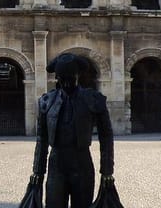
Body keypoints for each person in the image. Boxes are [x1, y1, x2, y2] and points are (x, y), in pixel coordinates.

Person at [31, 53, 115, 208]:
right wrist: (38, 170)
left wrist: (107, 169)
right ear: (57, 78)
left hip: (81, 161)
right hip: (57, 162)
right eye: (63, 78)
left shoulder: (93, 99)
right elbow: (41, 138)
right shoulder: (47, 101)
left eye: (70, 78)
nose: (66, 83)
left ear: (77, 76)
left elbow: (106, 135)